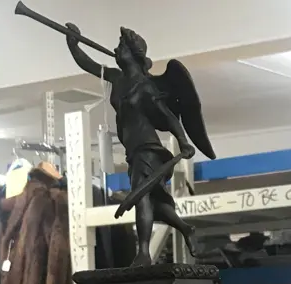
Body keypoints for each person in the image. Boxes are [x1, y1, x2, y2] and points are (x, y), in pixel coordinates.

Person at [65, 23, 198, 266]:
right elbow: (89, 65)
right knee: (154, 200)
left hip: (148, 148)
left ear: (133, 53)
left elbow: (168, 117)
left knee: (142, 197)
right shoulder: (116, 79)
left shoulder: (146, 87)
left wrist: (183, 142)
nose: (116, 49)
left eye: (121, 46)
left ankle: (144, 252)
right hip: (133, 151)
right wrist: (73, 44)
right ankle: (184, 227)